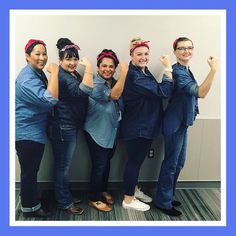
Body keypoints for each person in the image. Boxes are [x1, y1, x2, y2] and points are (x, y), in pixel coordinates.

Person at [154, 37, 218, 217]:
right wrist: (213, 70)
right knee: (171, 164)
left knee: (178, 163)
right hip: (174, 124)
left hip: (182, 123)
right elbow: (201, 93)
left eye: (189, 48)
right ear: (175, 52)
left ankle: (168, 195)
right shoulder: (178, 72)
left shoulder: (186, 70)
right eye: (181, 48)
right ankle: (163, 202)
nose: (186, 51)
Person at [121, 37, 174, 211]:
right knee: (134, 163)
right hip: (138, 128)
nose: (143, 57)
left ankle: (133, 190)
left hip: (143, 125)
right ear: (131, 55)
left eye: (146, 54)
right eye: (139, 54)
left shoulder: (143, 71)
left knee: (135, 161)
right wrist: (168, 68)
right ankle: (128, 200)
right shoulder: (135, 76)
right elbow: (163, 91)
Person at [15, 39, 59, 218]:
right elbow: (50, 99)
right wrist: (55, 73)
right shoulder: (27, 79)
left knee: (30, 171)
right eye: (37, 54)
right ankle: (30, 208)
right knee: (30, 172)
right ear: (27, 57)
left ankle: (28, 197)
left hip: (34, 130)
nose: (42, 58)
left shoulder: (35, 73)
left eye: (44, 54)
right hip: (28, 133)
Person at [50, 38, 93, 215]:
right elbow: (82, 92)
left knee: (63, 165)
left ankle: (64, 194)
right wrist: (89, 69)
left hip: (70, 125)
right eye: (68, 59)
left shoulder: (71, 74)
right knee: (62, 166)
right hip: (63, 127)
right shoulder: (61, 75)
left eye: (75, 59)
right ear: (61, 60)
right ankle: (64, 202)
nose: (73, 63)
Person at [84, 49, 128, 212]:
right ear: (98, 67)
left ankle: (102, 190)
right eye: (104, 66)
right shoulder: (95, 85)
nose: (107, 69)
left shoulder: (113, 82)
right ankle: (93, 198)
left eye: (111, 66)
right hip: (96, 132)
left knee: (106, 164)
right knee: (99, 166)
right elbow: (114, 96)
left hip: (110, 132)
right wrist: (124, 73)